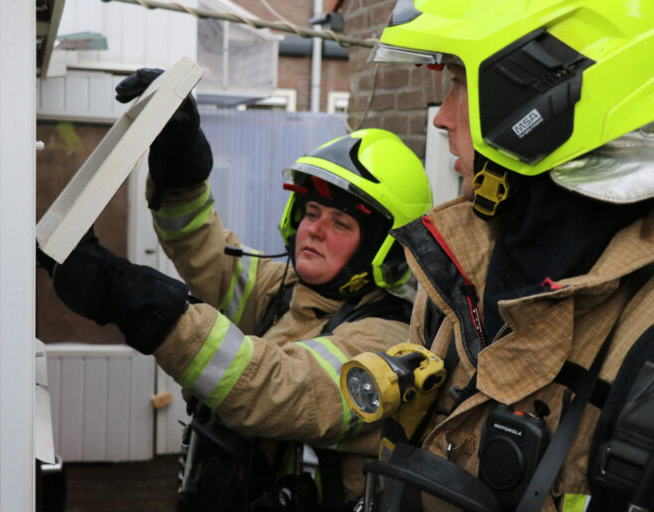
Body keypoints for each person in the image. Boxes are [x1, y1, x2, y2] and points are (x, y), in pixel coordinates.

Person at [38, 69, 433, 511]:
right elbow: (202, 249)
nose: (314, 230)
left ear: (385, 247)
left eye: (340, 223)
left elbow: (275, 388)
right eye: (313, 211)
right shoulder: (288, 293)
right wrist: (179, 155)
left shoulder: (388, 343)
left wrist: (132, 299)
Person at [355, 1, 654, 511]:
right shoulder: (458, 269)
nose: (442, 119)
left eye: (458, 83)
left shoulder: (642, 339)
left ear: (543, 99)